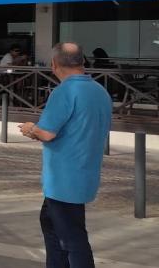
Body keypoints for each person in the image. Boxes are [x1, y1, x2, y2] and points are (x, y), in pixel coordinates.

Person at [18, 42, 111, 268]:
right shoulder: (100, 91)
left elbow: (47, 133)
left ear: (54, 64)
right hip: (86, 173)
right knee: (50, 222)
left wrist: (30, 128)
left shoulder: (64, 91)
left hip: (63, 178)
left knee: (72, 236)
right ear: (83, 61)